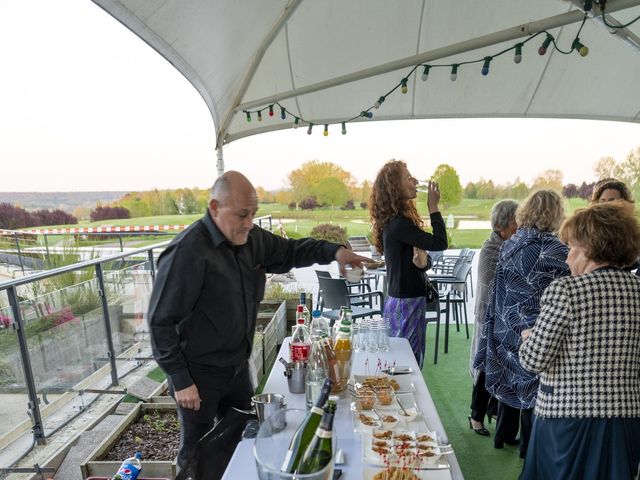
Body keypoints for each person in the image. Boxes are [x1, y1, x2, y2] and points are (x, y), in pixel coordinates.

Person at [148, 171, 369, 475]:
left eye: (253, 213)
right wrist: (179, 378)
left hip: (237, 367)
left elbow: (292, 251)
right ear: (214, 208)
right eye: (242, 214)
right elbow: (160, 321)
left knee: (242, 438)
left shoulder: (251, 239)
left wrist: (334, 251)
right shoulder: (187, 252)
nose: (249, 222)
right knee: (197, 452)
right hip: (199, 377)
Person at [520, 202, 640, 480]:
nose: (566, 257)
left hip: (567, 421)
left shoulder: (567, 290)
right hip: (627, 420)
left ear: (589, 247)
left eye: (571, 246)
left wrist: (529, 338)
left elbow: (533, 359)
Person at [474, 189, 570, 457]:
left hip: (506, 326)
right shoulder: (557, 250)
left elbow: (498, 288)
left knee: (512, 383)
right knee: (533, 396)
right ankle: (528, 451)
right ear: (556, 214)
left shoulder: (510, 243)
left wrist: (494, 328)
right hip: (535, 331)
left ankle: (501, 436)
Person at [369, 160, 448, 368]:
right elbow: (440, 243)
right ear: (395, 186)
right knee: (406, 366)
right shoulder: (399, 224)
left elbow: (419, 259)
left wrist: (423, 263)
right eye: (408, 177)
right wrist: (433, 207)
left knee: (405, 364)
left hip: (406, 301)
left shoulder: (398, 222)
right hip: (406, 304)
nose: (414, 180)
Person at [468, 199, 518, 437]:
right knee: (486, 367)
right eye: (516, 221)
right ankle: (476, 416)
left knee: (501, 368)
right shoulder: (492, 248)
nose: (520, 226)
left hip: (504, 317)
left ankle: (492, 409)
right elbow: (492, 284)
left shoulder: (509, 244)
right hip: (490, 316)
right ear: (505, 224)